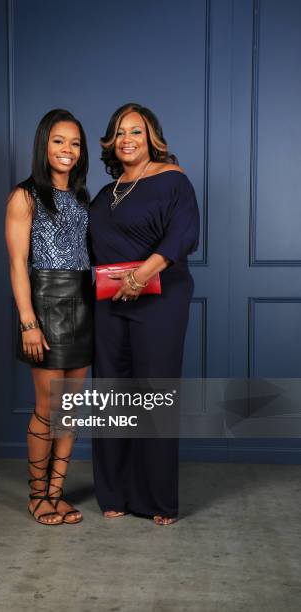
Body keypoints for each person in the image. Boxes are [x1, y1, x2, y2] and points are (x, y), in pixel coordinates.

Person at [89, 103, 200, 525]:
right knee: (113, 394)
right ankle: (114, 492)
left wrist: (141, 276)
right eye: (119, 133)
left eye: (136, 131)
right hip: (109, 303)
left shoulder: (173, 180)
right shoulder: (106, 192)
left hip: (160, 299)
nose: (127, 139)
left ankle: (157, 499)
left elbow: (184, 235)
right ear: (110, 142)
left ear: (152, 137)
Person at [5, 109, 93, 525]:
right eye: (59, 141)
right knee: (47, 407)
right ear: (43, 145)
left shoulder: (81, 196)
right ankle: (36, 496)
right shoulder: (24, 196)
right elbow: (17, 264)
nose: (67, 150)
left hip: (83, 299)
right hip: (45, 301)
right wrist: (28, 321)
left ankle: (56, 494)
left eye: (75, 143)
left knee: (70, 408)